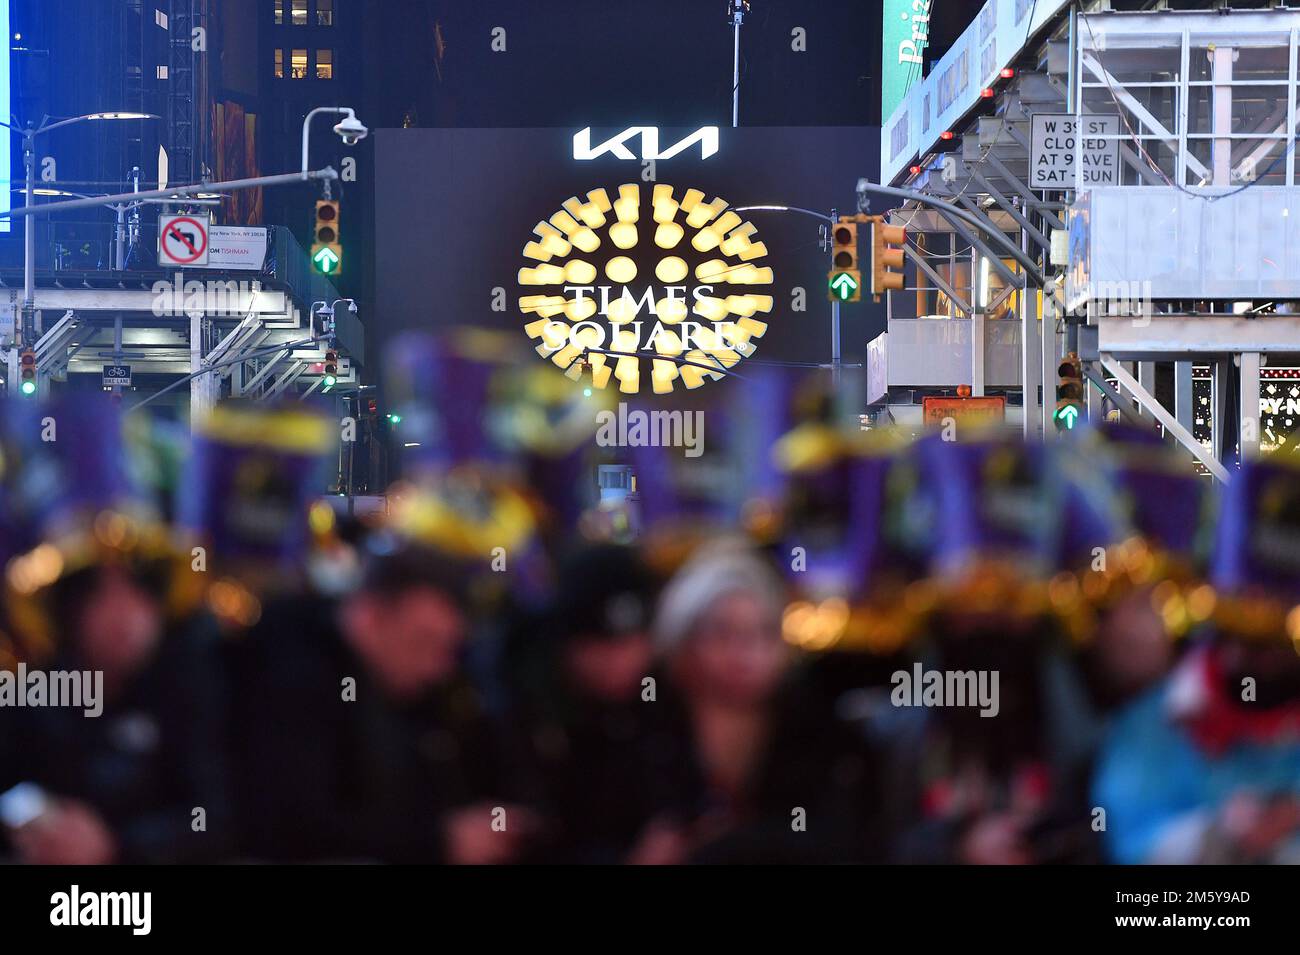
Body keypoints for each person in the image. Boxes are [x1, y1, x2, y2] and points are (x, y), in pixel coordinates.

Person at [230, 540, 538, 864]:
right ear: (369, 616)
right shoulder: (292, 674)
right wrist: (436, 842)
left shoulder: (417, 693)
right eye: (423, 641)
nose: (439, 669)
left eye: (448, 648)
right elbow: (295, 827)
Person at [1093, 454, 1300, 864]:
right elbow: (1131, 836)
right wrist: (1221, 834)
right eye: (1237, 629)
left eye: (1273, 638)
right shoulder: (1150, 726)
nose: (1249, 657)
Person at [631, 541, 885, 864]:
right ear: (682, 641)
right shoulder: (638, 732)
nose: (745, 655)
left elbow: (844, 843)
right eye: (724, 633)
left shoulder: (824, 739)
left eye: (763, 634)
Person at [1, 562, 231, 864]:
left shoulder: (187, 688)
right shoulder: (32, 694)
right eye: (99, 594)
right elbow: (8, 789)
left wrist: (115, 844)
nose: (123, 613)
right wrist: (28, 818)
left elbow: (213, 819)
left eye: (137, 588)